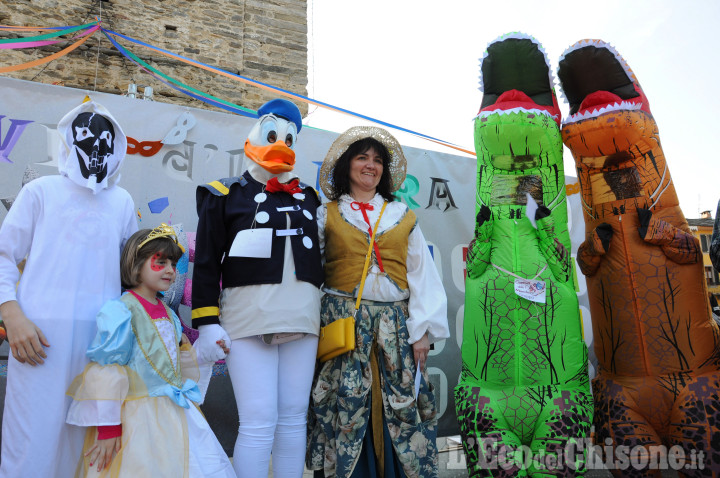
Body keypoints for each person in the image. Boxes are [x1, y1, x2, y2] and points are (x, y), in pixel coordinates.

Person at [0, 99, 138, 477]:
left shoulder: (122, 201)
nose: (95, 148)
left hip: (101, 347)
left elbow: (131, 273)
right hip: (37, 341)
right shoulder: (40, 193)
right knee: (31, 444)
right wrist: (11, 314)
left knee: (89, 446)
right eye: (86, 137)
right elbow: (3, 254)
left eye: (104, 141)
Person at [307, 126, 450, 478]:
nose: (370, 165)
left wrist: (422, 333)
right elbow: (310, 276)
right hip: (343, 325)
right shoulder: (326, 215)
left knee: (400, 406)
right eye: (361, 157)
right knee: (345, 405)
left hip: (395, 327)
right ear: (347, 165)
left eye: (377, 160)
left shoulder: (402, 216)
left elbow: (423, 277)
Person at [192, 99, 323, 477]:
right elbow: (206, 263)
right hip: (247, 319)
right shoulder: (223, 194)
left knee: (294, 419)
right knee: (259, 420)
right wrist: (206, 321)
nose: (279, 144)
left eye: (288, 137)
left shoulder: (309, 199)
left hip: (302, 317)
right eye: (272, 133)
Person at [65, 225, 235, 477]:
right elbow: (107, 371)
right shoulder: (121, 312)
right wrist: (109, 427)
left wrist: (207, 351)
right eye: (160, 262)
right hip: (138, 418)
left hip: (175, 414)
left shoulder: (169, 314)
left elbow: (173, 362)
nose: (170, 270)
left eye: (173, 264)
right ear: (136, 265)